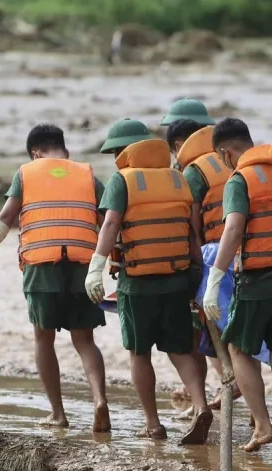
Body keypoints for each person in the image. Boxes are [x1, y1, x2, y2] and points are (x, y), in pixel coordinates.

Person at [0, 124, 111, 433]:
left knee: (43, 338)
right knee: (85, 340)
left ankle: (58, 414)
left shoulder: (26, 173)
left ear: (35, 154)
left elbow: (7, 217)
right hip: (83, 267)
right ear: (65, 150)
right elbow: (108, 222)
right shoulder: (87, 174)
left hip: (42, 265)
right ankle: (99, 400)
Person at [84, 118, 213, 444]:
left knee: (139, 353)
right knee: (181, 350)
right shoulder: (177, 178)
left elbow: (111, 223)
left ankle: (153, 424)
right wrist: (196, 277)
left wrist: (95, 267)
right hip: (177, 279)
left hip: (137, 284)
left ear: (122, 151)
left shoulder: (121, 181)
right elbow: (190, 234)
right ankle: (200, 406)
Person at [203, 118, 272, 458]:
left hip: (257, 280)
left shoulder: (240, 179)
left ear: (225, 152)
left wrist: (215, 279)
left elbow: (234, 228)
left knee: (238, 349)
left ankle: (263, 425)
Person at [166, 118, 246, 410]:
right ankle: (253, 408)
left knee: (217, 330)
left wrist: (195, 269)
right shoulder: (234, 158)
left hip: (215, 259)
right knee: (244, 331)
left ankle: (232, 385)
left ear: (178, 146)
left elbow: (193, 227)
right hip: (250, 257)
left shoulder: (194, 173)